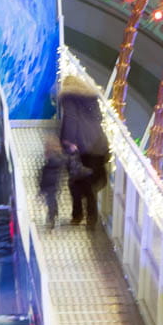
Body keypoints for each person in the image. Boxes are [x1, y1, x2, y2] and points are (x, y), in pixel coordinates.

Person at [57, 68, 109, 227]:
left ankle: (78, 215)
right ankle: (91, 217)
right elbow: (99, 118)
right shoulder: (91, 98)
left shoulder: (69, 97)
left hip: (83, 147)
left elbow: (71, 119)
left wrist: (67, 141)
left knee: (76, 182)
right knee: (90, 182)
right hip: (99, 146)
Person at [38, 133, 64, 228]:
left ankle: (52, 218)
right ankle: (54, 215)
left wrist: (42, 187)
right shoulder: (57, 158)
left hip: (50, 184)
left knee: (50, 200)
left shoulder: (51, 162)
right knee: (52, 199)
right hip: (53, 184)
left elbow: (47, 175)